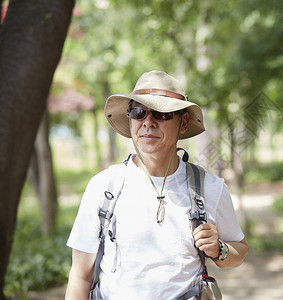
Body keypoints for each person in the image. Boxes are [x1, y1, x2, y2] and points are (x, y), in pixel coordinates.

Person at [65, 70, 249, 299]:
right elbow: (81, 275)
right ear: (130, 118)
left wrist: (219, 249)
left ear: (184, 122)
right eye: (139, 112)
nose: (148, 122)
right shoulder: (104, 187)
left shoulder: (210, 188)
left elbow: (239, 251)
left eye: (162, 114)